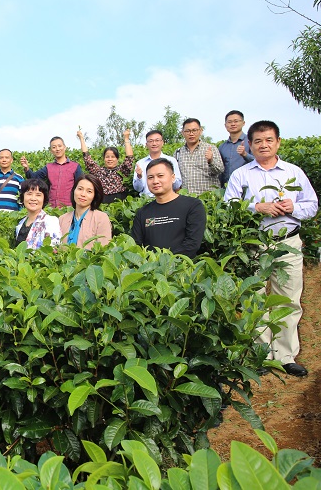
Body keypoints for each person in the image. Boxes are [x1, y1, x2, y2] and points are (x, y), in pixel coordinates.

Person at [224, 120, 318, 377]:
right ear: (249, 145)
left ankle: (286, 355)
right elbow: (228, 204)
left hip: (288, 242)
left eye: (268, 140)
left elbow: (311, 205)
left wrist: (293, 207)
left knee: (288, 297)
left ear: (278, 142)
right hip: (255, 243)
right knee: (255, 297)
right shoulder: (241, 175)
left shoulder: (293, 172)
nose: (263, 145)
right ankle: (261, 354)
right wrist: (256, 207)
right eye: (258, 141)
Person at [131, 158, 206, 258]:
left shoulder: (193, 206)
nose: (155, 181)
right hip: (150, 266)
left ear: (173, 177)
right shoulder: (142, 213)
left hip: (181, 265)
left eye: (160, 176)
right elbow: (136, 246)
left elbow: (192, 244)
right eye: (150, 177)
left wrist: (167, 263)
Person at [20, 136, 83, 208]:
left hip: (69, 208)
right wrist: (27, 168)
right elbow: (34, 178)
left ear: (65, 147)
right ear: (51, 150)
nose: (57, 149)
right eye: (54, 147)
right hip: (52, 208)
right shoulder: (48, 167)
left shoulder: (75, 166)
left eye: (59, 146)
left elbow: (80, 186)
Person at [77, 128, 134, 204]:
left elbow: (129, 158)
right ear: (104, 159)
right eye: (107, 157)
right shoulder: (98, 171)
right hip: (102, 201)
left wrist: (126, 139)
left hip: (119, 201)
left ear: (117, 159)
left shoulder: (121, 171)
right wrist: (81, 138)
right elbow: (87, 158)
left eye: (113, 157)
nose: (110, 159)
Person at [58, 175, 113, 248]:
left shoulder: (101, 218)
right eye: (80, 189)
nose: (83, 194)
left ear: (95, 196)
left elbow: (103, 249)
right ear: (74, 190)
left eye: (89, 191)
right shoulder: (62, 219)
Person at [174, 118, 224, 194]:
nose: (191, 134)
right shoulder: (178, 152)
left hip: (207, 197)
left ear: (200, 131)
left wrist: (211, 161)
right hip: (187, 197)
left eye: (194, 130)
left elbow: (220, 170)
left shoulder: (211, 148)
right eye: (187, 131)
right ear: (183, 133)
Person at [133, 130, 183, 197]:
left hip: (166, 198)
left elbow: (177, 185)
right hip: (146, 200)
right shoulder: (140, 163)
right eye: (151, 141)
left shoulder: (171, 160)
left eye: (157, 140)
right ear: (146, 145)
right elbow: (138, 189)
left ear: (162, 142)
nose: (154, 143)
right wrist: (139, 177)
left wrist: (170, 178)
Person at [14, 178, 62, 249]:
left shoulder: (51, 221)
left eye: (38, 195)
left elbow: (53, 250)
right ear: (23, 197)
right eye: (29, 194)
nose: (33, 198)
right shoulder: (21, 223)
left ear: (44, 199)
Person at [218, 110, 253, 186]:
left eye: (236, 121)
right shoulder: (222, 147)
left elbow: (260, 162)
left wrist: (245, 154)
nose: (233, 124)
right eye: (229, 122)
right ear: (225, 125)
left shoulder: (251, 142)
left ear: (243, 123)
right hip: (227, 187)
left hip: (247, 186)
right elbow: (221, 171)